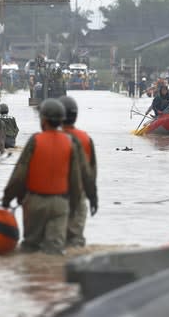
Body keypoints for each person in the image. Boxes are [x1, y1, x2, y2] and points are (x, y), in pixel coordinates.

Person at [1, 99, 85, 254]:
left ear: (44, 119)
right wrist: (73, 206)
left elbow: (19, 174)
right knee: (54, 251)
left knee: (30, 247)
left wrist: (8, 198)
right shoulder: (70, 142)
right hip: (61, 204)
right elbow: (76, 180)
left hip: (36, 203)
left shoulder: (35, 140)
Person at [59, 96, 99, 247]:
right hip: (79, 195)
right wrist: (93, 197)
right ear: (75, 116)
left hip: (55, 194)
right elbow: (91, 172)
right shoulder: (86, 139)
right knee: (75, 241)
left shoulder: (50, 137)